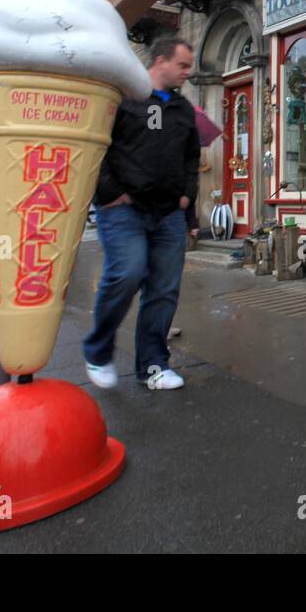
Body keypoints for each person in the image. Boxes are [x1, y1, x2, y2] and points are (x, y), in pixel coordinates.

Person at [82, 36, 200, 391]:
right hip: (125, 208)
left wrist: (187, 196)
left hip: (168, 213)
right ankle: (98, 350)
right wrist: (109, 192)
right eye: (182, 65)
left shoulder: (182, 110)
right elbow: (95, 145)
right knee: (127, 274)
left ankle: (153, 366)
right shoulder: (125, 99)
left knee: (164, 290)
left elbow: (191, 157)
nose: (187, 72)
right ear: (160, 61)